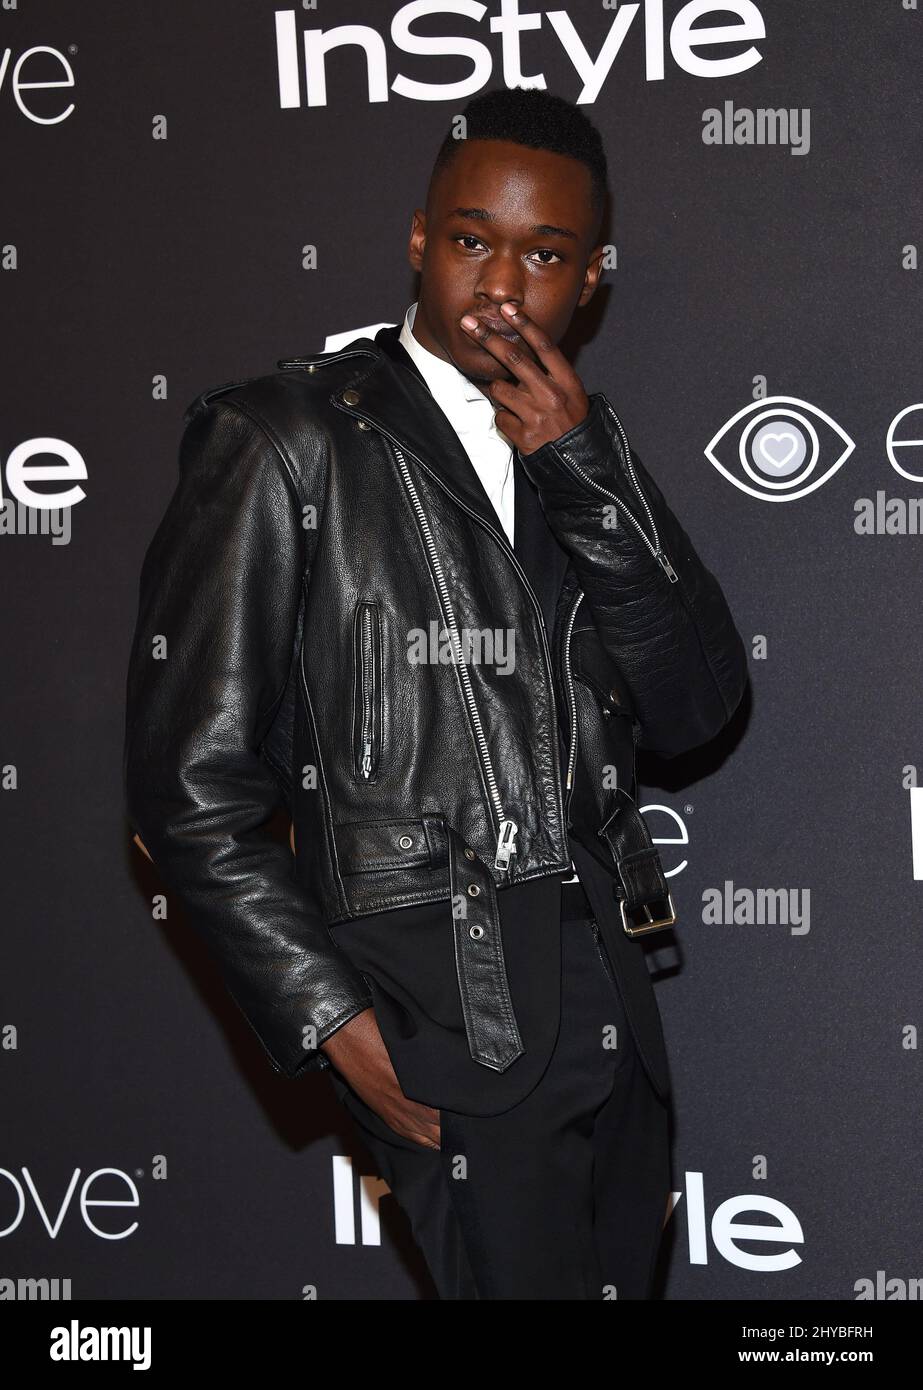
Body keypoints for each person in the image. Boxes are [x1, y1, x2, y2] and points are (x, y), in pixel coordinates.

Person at [124, 85, 748, 1300]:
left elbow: (695, 709)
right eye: (471, 241)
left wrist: (583, 475)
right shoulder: (284, 437)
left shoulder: (583, 441)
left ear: (592, 276)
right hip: (437, 1001)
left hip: (612, 1008)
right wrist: (335, 1027)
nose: (502, 287)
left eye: (544, 255)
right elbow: (184, 787)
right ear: (418, 237)